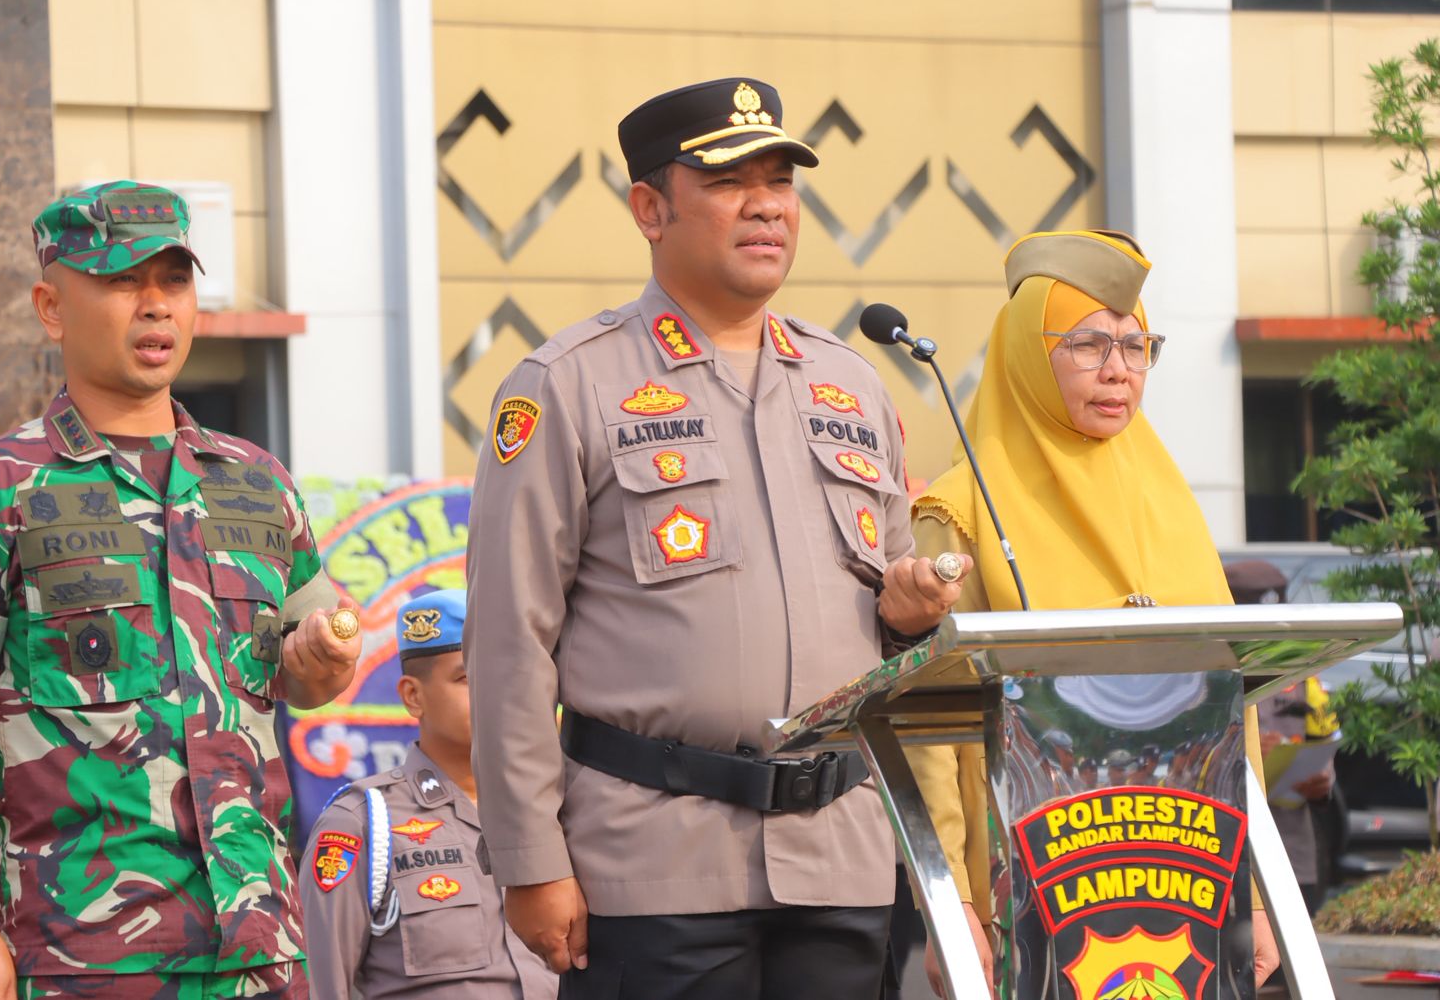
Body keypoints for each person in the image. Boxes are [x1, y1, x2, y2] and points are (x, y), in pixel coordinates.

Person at [462, 77, 961, 1000]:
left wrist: (913, 614)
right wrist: (530, 859)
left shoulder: (853, 384)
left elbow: (895, 629)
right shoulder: (568, 384)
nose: (767, 205)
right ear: (649, 209)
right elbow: (508, 639)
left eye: (782, 182)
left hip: (839, 862)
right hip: (654, 862)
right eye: (730, 181)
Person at [0, 181, 356, 999]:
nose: (155, 304)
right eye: (121, 280)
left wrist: (323, 659)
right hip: (85, 956)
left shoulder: (257, 484)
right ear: (52, 307)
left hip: (259, 947)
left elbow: (309, 674)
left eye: (173, 280)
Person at [905, 229, 1282, 996]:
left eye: (1135, 346)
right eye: (1087, 344)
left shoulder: (1169, 501)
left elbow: (1231, 701)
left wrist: (1257, 893)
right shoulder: (961, 508)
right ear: (1025, 354)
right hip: (1026, 884)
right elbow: (926, 731)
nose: (1118, 370)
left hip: (1186, 875)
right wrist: (951, 904)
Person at [299, 590, 558, 999]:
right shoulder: (363, 823)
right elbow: (320, 987)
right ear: (412, 696)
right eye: (469, 678)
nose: (498, 695)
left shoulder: (560, 810)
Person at [1226, 559, 1339, 913]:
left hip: (1291, 858)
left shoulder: (1303, 677)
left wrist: (1322, 781)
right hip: (1227, 860)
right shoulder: (1204, 676)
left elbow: (1324, 747)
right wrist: (1244, 752)